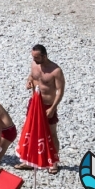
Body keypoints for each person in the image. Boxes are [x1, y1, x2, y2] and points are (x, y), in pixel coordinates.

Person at [23, 43, 64, 172]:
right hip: (34, 103)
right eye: (33, 57)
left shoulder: (55, 70)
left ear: (44, 56)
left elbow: (60, 91)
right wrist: (28, 81)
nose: (34, 60)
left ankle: (54, 162)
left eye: (36, 57)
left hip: (48, 104)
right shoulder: (34, 64)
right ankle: (30, 159)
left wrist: (52, 108)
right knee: (31, 131)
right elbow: (32, 76)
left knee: (51, 133)